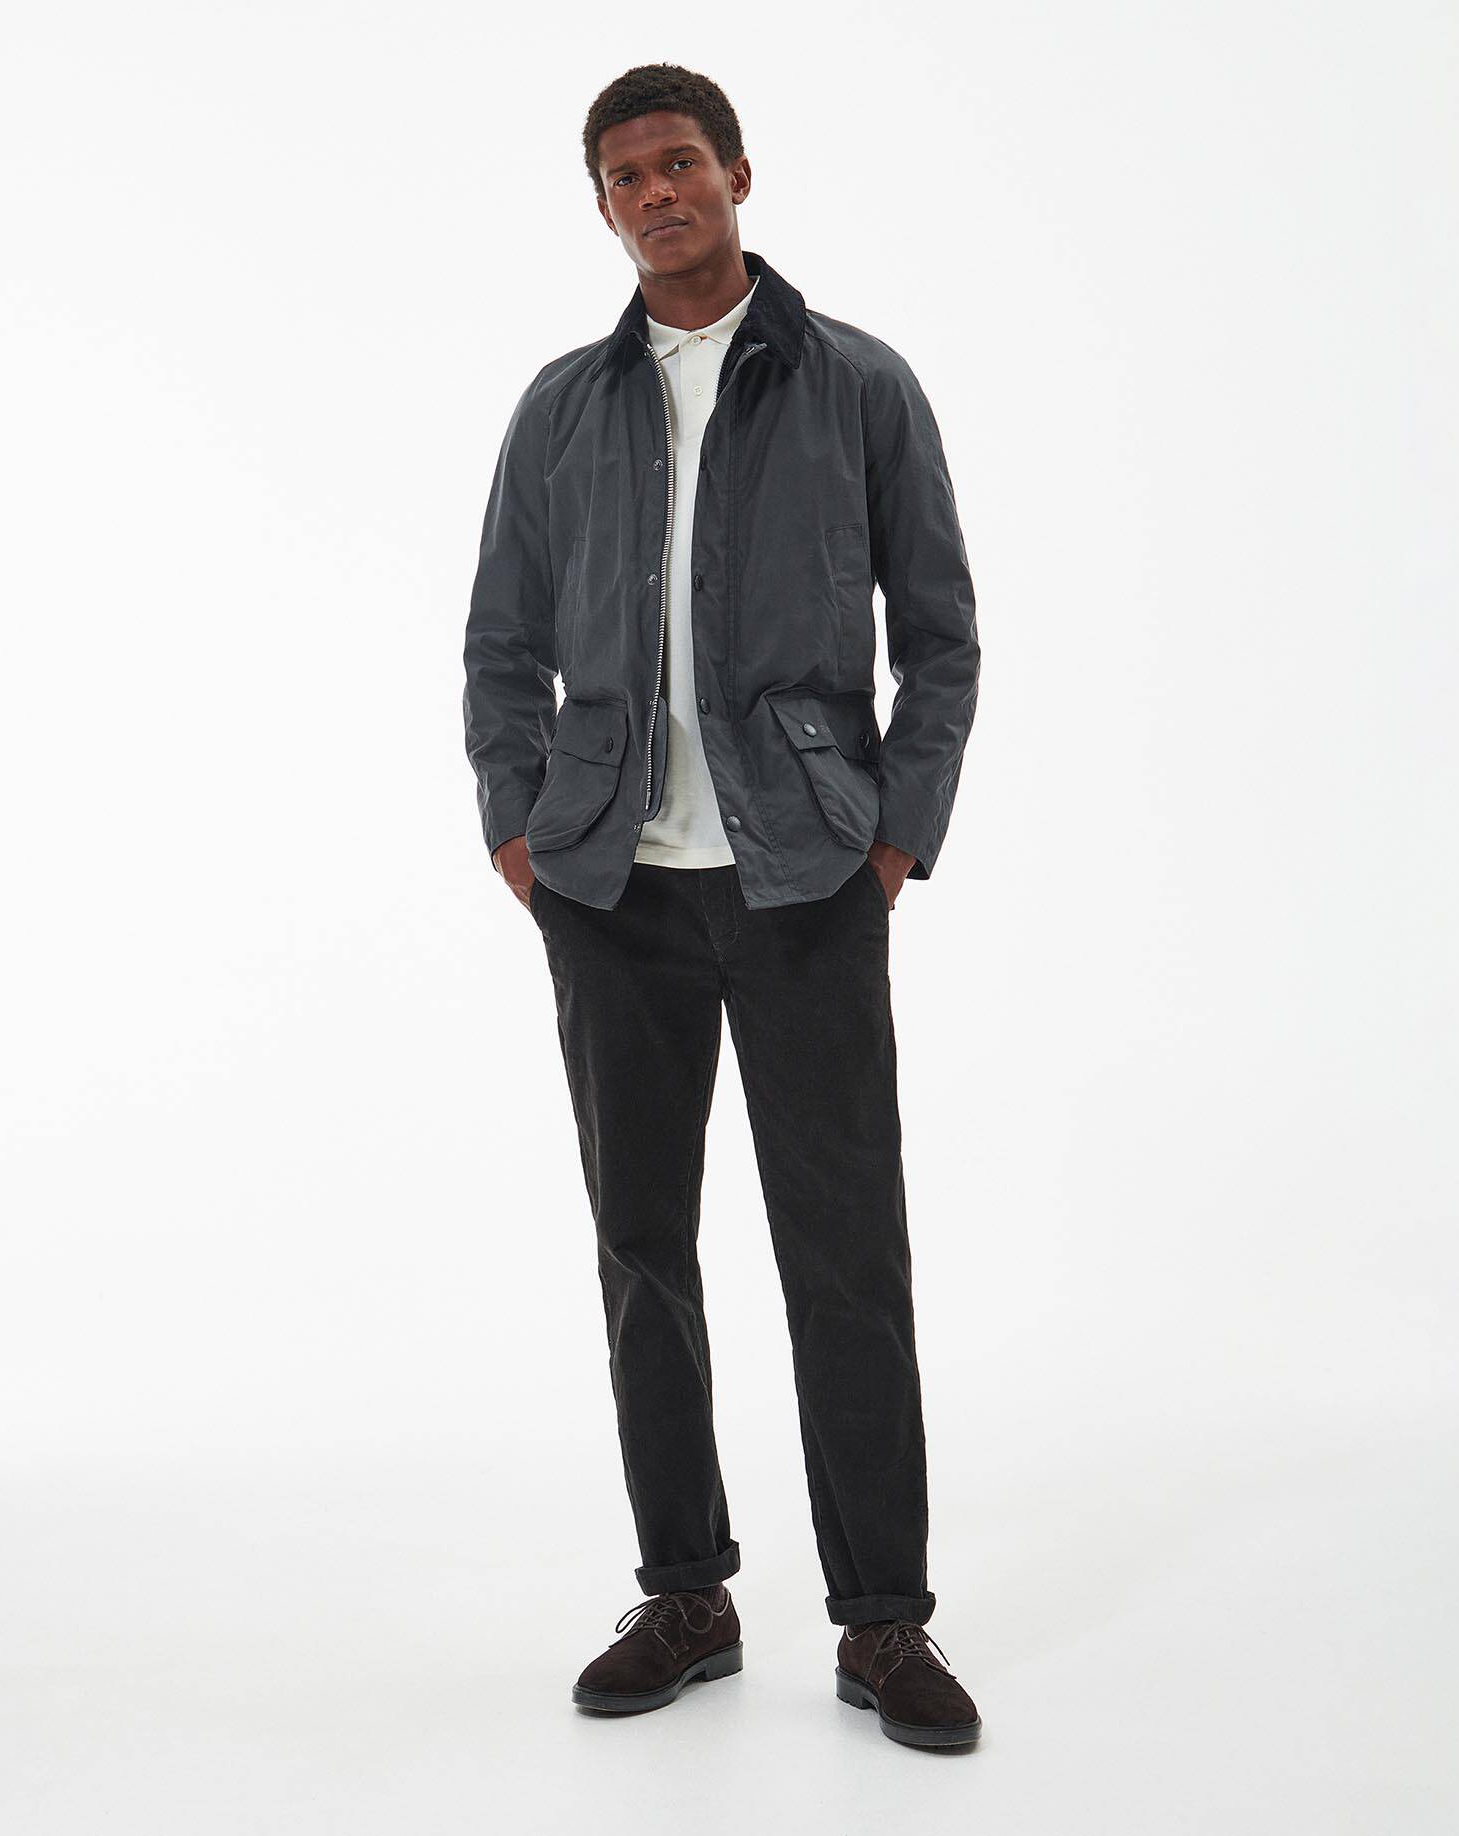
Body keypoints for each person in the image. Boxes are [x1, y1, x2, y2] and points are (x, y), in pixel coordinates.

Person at [462, 62, 983, 1750]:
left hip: (805, 880)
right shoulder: (561, 407)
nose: (656, 193)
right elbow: (501, 644)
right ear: (603, 206)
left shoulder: (856, 383)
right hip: (610, 890)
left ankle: (884, 1623)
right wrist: (519, 828)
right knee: (641, 1251)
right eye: (625, 176)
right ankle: (686, 1594)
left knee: (846, 1255)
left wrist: (894, 836)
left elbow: (942, 636)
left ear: (738, 176)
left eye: (679, 161)